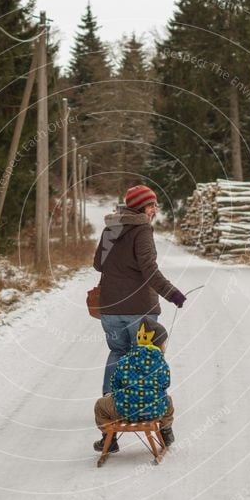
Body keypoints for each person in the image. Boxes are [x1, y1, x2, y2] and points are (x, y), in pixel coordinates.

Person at [93, 184, 186, 395]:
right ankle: (140, 403)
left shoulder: (111, 227)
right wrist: (173, 294)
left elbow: (99, 264)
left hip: (110, 308)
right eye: (151, 205)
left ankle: (110, 399)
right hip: (140, 308)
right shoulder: (142, 229)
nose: (155, 209)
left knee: (117, 352)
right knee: (144, 355)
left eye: (155, 205)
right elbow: (149, 269)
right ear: (139, 207)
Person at [93, 317, 175, 452]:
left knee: (100, 406)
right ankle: (166, 432)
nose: (164, 346)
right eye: (163, 343)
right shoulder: (161, 363)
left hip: (124, 411)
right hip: (154, 411)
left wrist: (117, 394)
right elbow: (165, 384)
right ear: (157, 344)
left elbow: (115, 383)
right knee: (168, 401)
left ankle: (109, 438)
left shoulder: (125, 360)